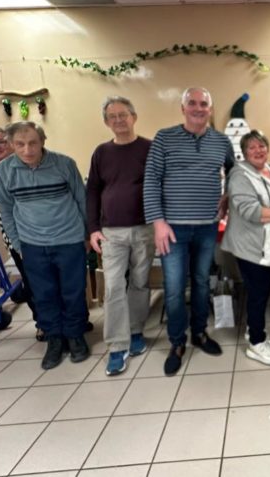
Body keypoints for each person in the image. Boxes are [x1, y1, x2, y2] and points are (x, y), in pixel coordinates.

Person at [143, 87, 235, 376]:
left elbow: (235, 171)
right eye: (192, 103)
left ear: (210, 108)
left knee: (200, 283)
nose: (198, 108)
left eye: (204, 104)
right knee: (173, 288)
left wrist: (228, 194)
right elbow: (151, 181)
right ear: (183, 108)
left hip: (207, 226)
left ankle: (200, 333)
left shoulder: (221, 141)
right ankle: (177, 342)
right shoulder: (164, 138)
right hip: (173, 229)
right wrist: (158, 222)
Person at [0, 121, 90, 370]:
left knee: (73, 291)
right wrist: (17, 243)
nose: (27, 149)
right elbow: (5, 209)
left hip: (69, 239)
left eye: (32, 143)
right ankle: (54, 339)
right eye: (20, 144)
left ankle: (75, 335)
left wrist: (87, 235)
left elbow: (82, 200)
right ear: (12, 145)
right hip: (33, 244)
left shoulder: (64, 164)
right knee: (43, 295)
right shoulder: (5, 170)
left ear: (42, 142)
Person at [87, 96, 154, 376]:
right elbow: (92, 192)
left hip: (145, 229)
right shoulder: (101, 153)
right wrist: (92, 229)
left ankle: (136, 330)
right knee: (114, 287)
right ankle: (117, 345)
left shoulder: (150, 149)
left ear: (134, 117)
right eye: (112, 116)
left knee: (139, 282)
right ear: (106, 122)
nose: (118, 120)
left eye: (123, 115)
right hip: (111, 231)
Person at [221, 130, 270, 365]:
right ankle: (256, 344)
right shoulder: (240, 175)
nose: (258, 150)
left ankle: (254, 330)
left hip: (268, 243)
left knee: (262, 290)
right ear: (243, 151)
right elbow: (250, 211)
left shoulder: (269, 168)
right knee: (258, 293)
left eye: (261, 145)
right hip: (252, 245)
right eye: (252, 147)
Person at [0, 127, 42, 340]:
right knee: (32, 283)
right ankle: (43, 324)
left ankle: (71, 321)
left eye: (1, 142)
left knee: (56, 280)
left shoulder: (29, 167)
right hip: (16, 241)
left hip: (45, 235)